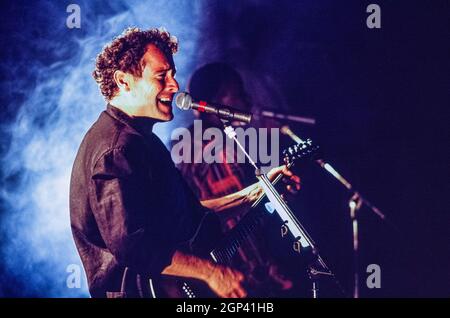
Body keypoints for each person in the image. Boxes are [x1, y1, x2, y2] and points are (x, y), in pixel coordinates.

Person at [69, 27, 299, 298]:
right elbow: (132, 244)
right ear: (124, 81)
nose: (174, 85)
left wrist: (257, 193)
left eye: (173, 74)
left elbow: (189, 217)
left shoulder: (143, 142)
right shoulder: (116, 149)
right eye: (161, 75)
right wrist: (211, 272)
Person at [176, 62, 297, 296]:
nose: (247, 100)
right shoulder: (212, 152)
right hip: (238, 281)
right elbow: (235, 222)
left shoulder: (201, 146)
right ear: (214, 103)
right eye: (238, 94)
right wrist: (260, 270)